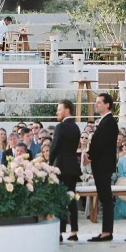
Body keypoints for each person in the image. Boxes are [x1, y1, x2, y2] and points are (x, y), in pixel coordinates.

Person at [85, 92, 118, 242]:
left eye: (99, 102)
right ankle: (106, 230)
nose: (96, 104)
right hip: (100, 165)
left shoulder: (109, 122)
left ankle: (107, 231)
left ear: (107, 105)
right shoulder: (104, 121)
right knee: (104, 198)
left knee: (106, 199)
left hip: (103, 166)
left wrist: (89, 156)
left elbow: (100, 144)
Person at [49, 100, 81, 242]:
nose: (57, 112)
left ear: (67, 110)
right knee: (71, 199)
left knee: (60, 200)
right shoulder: (76, 127)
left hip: (61, 167)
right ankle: (74, 231)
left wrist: (50, 165)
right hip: (73, 167)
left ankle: (60, 232)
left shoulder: (60, 127)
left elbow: (54, 147)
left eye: (59, 109)